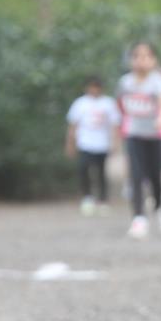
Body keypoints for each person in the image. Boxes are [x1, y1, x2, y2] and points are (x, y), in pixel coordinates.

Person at [118, 41, 161, 239]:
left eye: (146, 56)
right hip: (134, 135)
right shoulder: (125, 82)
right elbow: (121, 106)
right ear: (131, 60)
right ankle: (139, 218)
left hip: (156, 136)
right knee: (136, 175)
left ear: (154, 59)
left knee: (155, 176)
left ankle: (159, 206)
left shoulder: (158, 81)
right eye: (137, 56)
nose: (141, 60)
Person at [65, 76, 121, 216]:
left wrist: (115, 142)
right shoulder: (80, 103)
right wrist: (70, 143)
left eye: (96, 87)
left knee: (101, 172)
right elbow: (73, 125)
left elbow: (115, 125)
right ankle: (87, 197)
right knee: (84, 170)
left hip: (102, 144)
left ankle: (103, 199)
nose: (94, 90)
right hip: (85, 143)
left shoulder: (108, 103)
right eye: (91, 86)